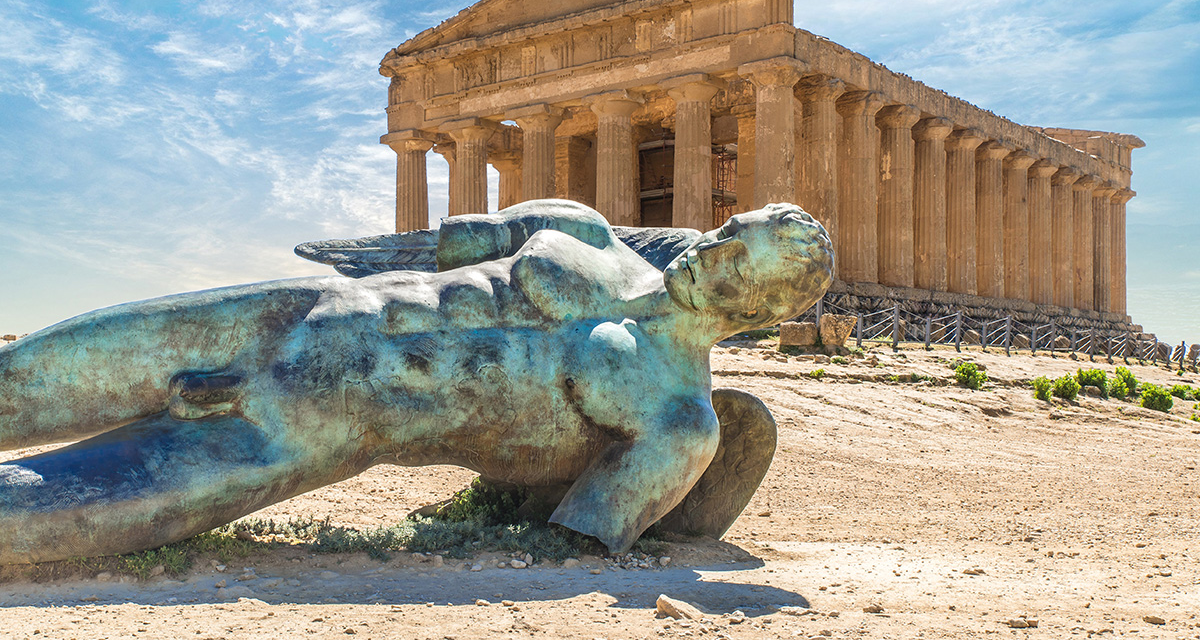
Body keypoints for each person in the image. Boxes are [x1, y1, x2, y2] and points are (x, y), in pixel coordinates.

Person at [0, 200, 833, 563]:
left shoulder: (679, 418)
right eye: (729, 233)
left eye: (734, 272)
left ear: (762, 310)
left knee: (38, 513)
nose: (709, 256)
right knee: (23, 375)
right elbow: (428, 249)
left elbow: (570, 532)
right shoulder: (583, 232)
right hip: (291, 312)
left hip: (322, 428)